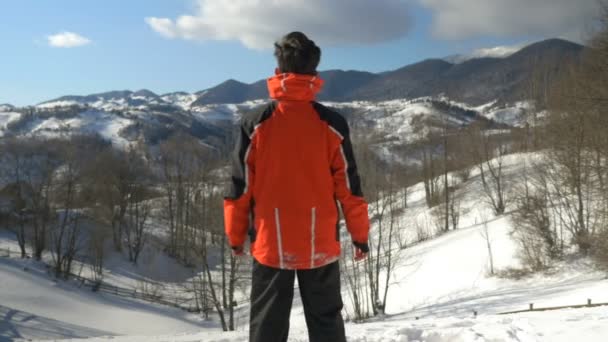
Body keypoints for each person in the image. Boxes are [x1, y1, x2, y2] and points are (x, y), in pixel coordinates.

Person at [224, 31, 370, 342]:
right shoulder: (332, 124)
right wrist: (360, 237)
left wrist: (236, 236)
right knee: (326, 323)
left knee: (267, 326)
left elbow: (240, 187)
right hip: (320, 244)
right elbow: (349, 187)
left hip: (270, 243)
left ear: (278, 72)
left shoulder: (255, 123)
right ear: (315, 74)